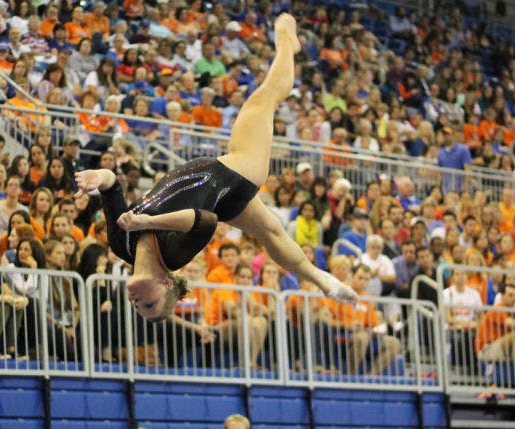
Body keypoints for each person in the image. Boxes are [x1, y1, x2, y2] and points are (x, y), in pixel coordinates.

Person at [75, 14, 355, 326]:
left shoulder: (121, 244)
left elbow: (112, 187)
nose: (138, 303)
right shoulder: (172, 255)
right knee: (263, 100)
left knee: (272, 232)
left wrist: (97, 176)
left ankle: (321, 279)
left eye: (140, 308)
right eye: (149, 304)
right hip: (234, 174)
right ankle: (287, 45)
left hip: (223, 196)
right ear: (167, 284)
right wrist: (148, 220)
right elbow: (206, 221)